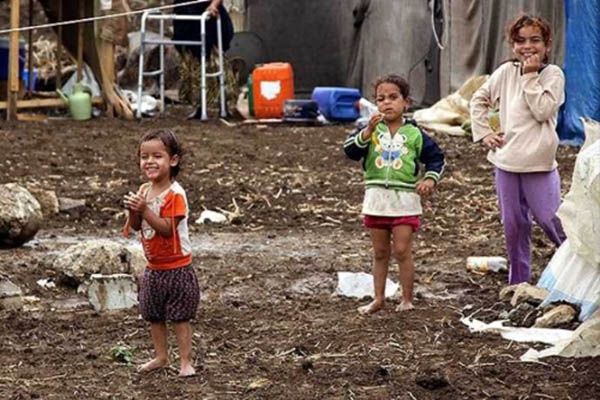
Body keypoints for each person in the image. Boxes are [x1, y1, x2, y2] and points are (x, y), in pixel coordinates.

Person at [470, 14, 566, 285]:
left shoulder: (553, 74)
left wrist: (530, 76)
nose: (528, 46)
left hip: (538, 162)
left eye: (535, 40)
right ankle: (518, 281)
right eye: (520, 40)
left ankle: (579, 271)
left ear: (547, 44)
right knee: (513, 225)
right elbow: (479, 99)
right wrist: (485, 132)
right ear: (512, 44)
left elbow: (543, 110)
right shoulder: (505, 72)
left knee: (551, 220)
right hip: (507, 161)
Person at [344, 74, 445, 315]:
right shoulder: (371, 131)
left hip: (405, 201)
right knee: (380, 252)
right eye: (381, 99)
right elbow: (350, 151)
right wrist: (367, 132)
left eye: (393, 97)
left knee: (401, 250)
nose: (387, 103)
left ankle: (407, 298)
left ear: (406, 102)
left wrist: (430, 179)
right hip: (377, 200)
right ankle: (378, 298)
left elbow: (436, 159)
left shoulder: (415, 134)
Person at [123, 129, 200, 377]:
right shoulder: (144, 191)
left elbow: (167, 230)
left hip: (177, 267)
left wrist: (144, 210)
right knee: (154, 314)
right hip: (154, 267)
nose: (150, 162)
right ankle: (161, 356)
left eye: (157, 156)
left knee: (180, 316)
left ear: (173, 160)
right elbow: (136, 226)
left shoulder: (176, 195)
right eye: (144, 157)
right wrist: (134, 210)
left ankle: (185, 361)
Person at [173, 0, 234, 119]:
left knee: (214, 64)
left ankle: (223, 106)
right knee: (192, 67)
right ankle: (200, 107)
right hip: (186, 16)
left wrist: (213, 5)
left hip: (208, 18)